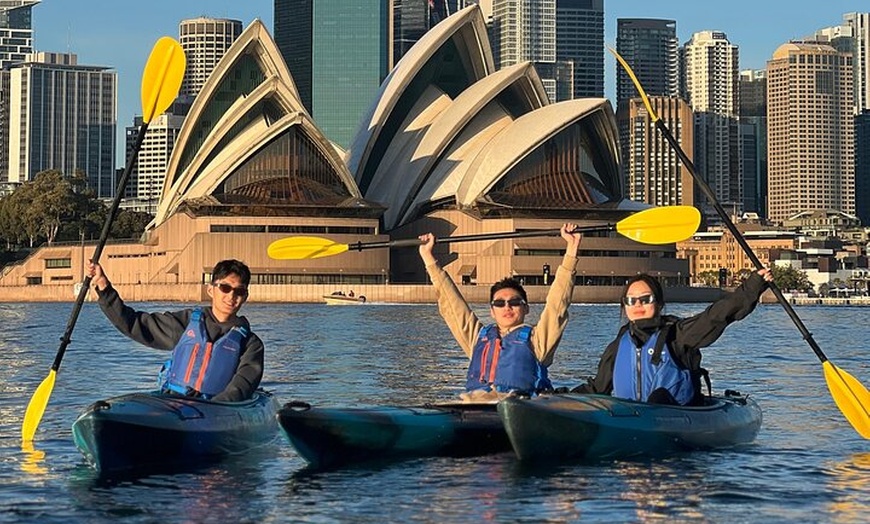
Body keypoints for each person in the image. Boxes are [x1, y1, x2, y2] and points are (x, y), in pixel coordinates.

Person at [419, 224, 582, 401]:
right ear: (492, 311)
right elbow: (452, 306)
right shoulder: (477, 338)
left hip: (519, 408)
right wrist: (428, 257)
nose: (507, 307)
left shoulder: (538, 341)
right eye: (499, 303)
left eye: (514, 302)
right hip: (477, 405)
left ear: (526, 308)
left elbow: (557, 305)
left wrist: (572, 250)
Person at [573, 269, 774, 405]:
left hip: (675, 416)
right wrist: (557, 399)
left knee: (659, 397)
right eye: (631, 300)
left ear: (659, 304)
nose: (638, 305)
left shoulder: (678, 334)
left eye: (646, 299)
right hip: (634, 417)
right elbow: (597, 388)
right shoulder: (620, 343)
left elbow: (716, 316)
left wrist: (753, 286)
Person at [86, 259, 264, 402]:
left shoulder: (251, 344)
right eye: (225, 288)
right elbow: (134, 324)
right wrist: (104, 287)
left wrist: (214, 408)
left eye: (239, 291)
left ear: (245, 296)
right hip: (174, 403)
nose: (231, 296)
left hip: (217, 410)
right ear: (211, 290)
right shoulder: (186, 323)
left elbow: (243, 385)